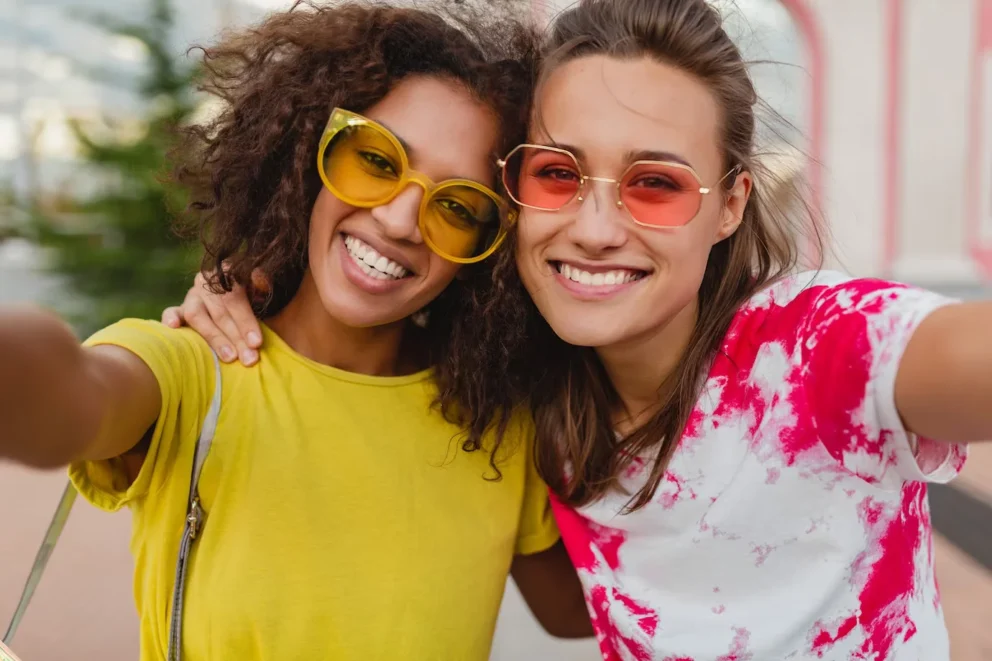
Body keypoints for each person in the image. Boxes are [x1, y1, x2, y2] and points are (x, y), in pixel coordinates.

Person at [172, 1, 992, 659]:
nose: (596, 228)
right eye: (558, 173)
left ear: (730, 204)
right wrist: (263, 285)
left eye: (655, 184)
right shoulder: (524, 388)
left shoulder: (818, 348)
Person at [0, 3, 593, 660]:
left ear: (491, 251)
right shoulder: (194, 371)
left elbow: (585, 611)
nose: (400, 220)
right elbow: (62, 397)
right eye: (375, 158)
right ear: (308, 149)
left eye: (458, 205)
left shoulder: (496, 423)